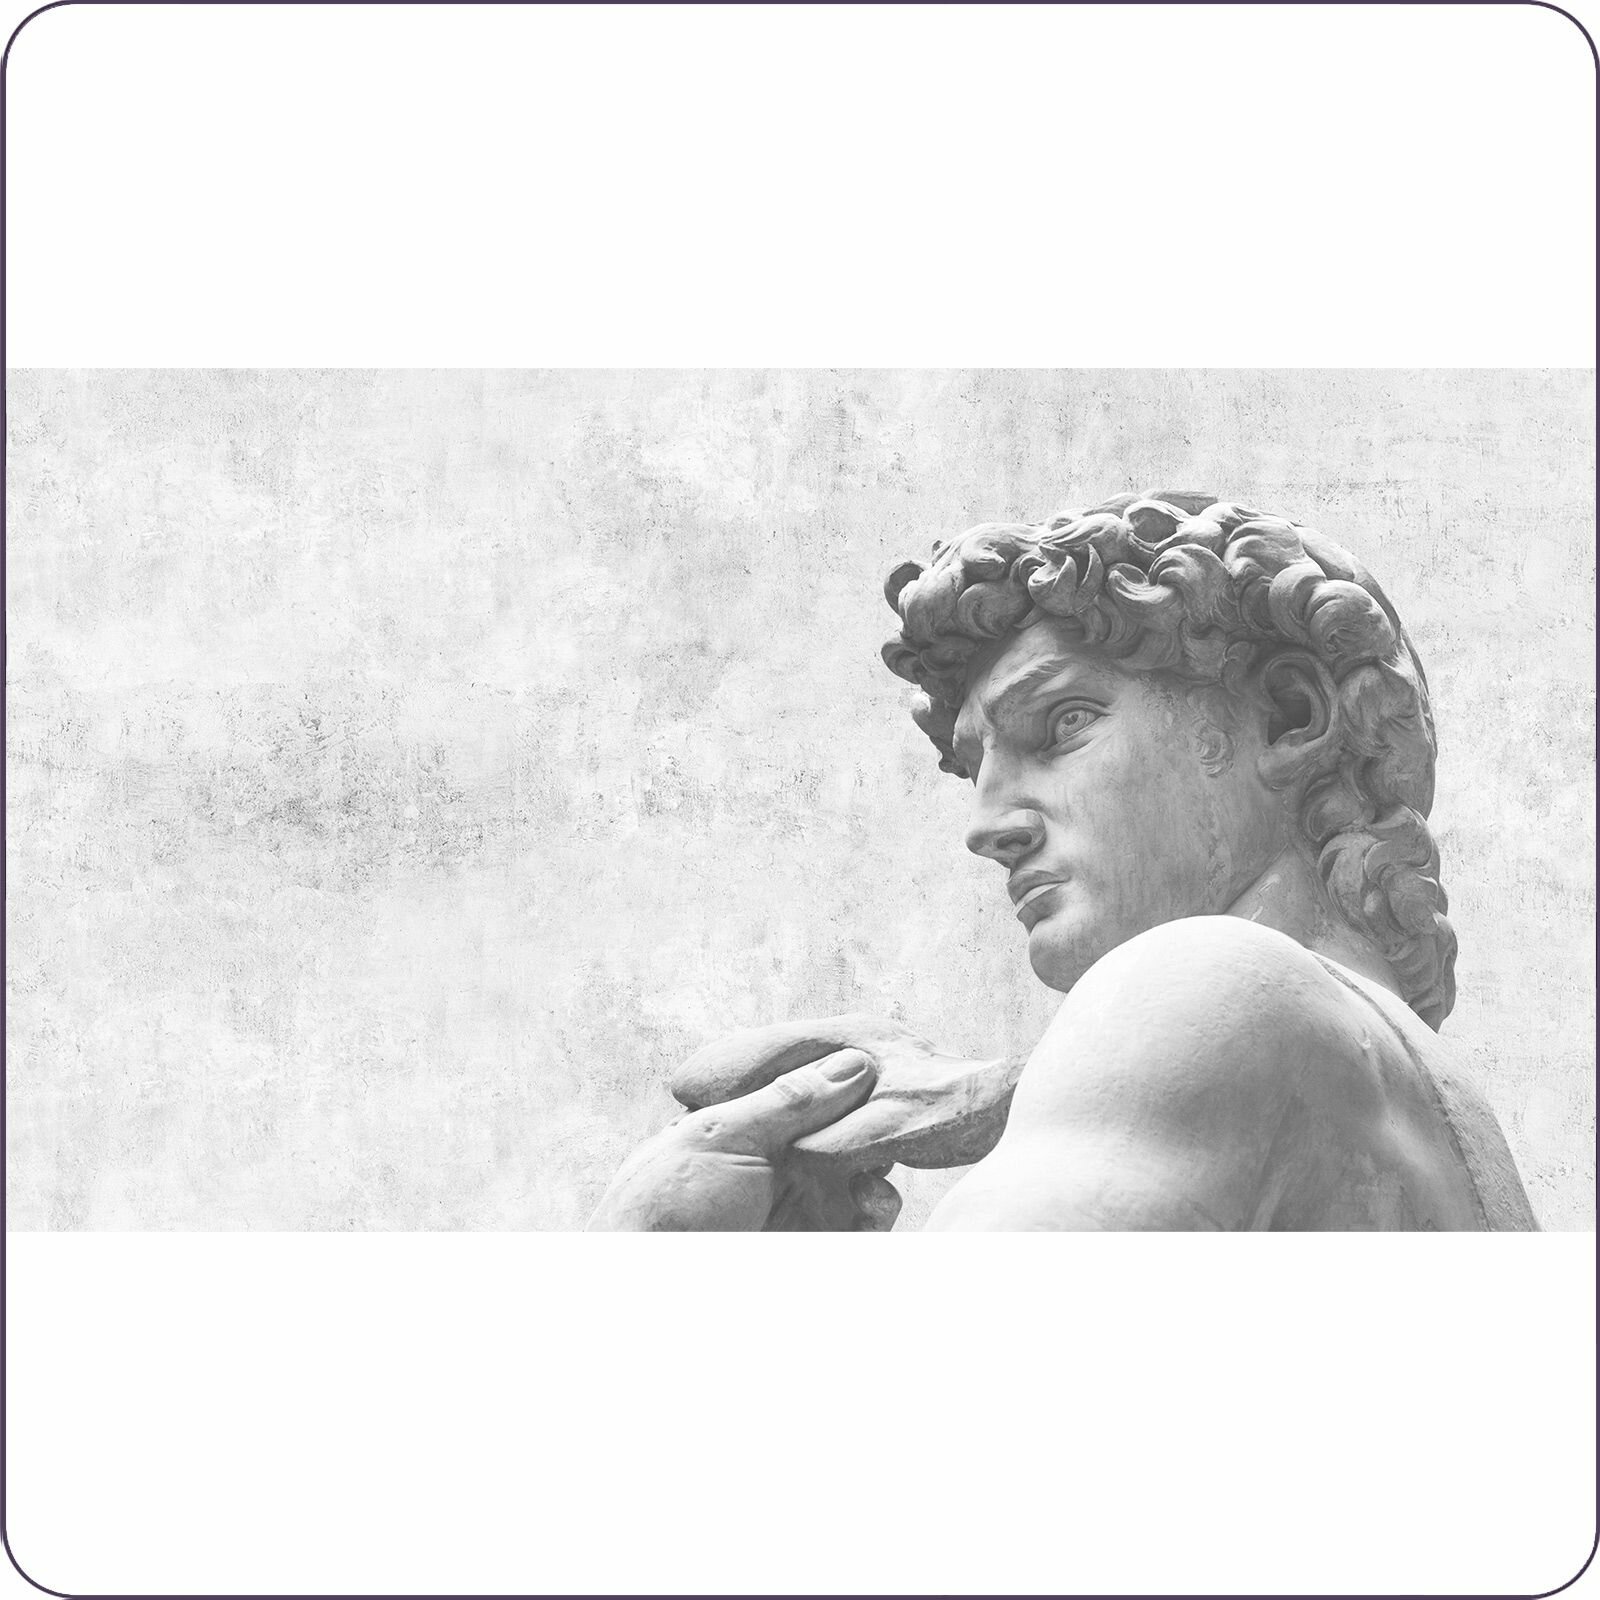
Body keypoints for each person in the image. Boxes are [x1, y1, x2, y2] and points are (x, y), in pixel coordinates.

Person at [589, 492, 1538, 1231]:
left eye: (1062, 724)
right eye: (973, 768)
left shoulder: (1218, 988)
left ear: (1290, 717)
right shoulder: (1446, 1125)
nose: (986, 826)